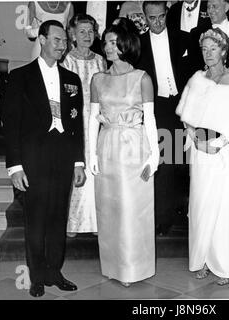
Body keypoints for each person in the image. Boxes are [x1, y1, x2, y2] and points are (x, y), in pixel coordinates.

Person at [2, 20, 86, 298]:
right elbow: (11, 123)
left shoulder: (72, 80)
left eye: (65, 41)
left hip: (63, 156)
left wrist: (78, 162)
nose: (62, 46)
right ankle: (37, 276)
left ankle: (54, 271)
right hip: (32, 157)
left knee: (57, 217)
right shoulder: (20, 76)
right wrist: (15, 166)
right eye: (57, 40)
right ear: (41, 40)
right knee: (35, 219)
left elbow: (76, 127)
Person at [176, 28, 229, 285]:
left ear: (223, 50)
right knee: (202, 207)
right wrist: (197, 140)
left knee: (224, 208)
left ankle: (223, 265)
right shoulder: (196, 80)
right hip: (201, 153)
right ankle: (204, 260)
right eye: (204, 49)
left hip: (226, 153)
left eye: (214, 49)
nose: (209, 54)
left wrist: (218, 143)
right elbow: (186, 116)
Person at [88, 23, 159, 287]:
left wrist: (154, 158)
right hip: (106, 146)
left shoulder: (142, 78)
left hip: (134, 147)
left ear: (126, 44)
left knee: (133, 209)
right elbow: (92, 119)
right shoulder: (98, 79)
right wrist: (91, 155)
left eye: (113, 42)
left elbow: (150, 120)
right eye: (105, 42)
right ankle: (113, 266)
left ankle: (133, 268)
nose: (108, 47)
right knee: (109, 209)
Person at [137, 1, 188, 236]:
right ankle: (161, 217)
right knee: (161, 161)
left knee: (180, 161)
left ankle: (179, 213)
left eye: (161, 17)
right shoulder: (138, 44)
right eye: (151, 18)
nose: (157, 22)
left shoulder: (182, 38)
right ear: (144, 17)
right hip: (155, 106)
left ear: (167, 14)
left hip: (181, 104)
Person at [61, 14, 106, 237]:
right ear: (72, 35)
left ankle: (97, 223)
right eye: (82, 32)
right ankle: (75, 222)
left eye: (91, 31)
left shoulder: (100, 60)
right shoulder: (67, 61)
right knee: (78, 168)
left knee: (96, 167)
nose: (87, 36)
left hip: (97, 120)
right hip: (76, 120)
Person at [188, 0, 229, 85]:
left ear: (226, 7)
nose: (210, 11)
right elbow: (193, 70)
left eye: (214, 6)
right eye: (208, 7)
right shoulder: (196, 33)